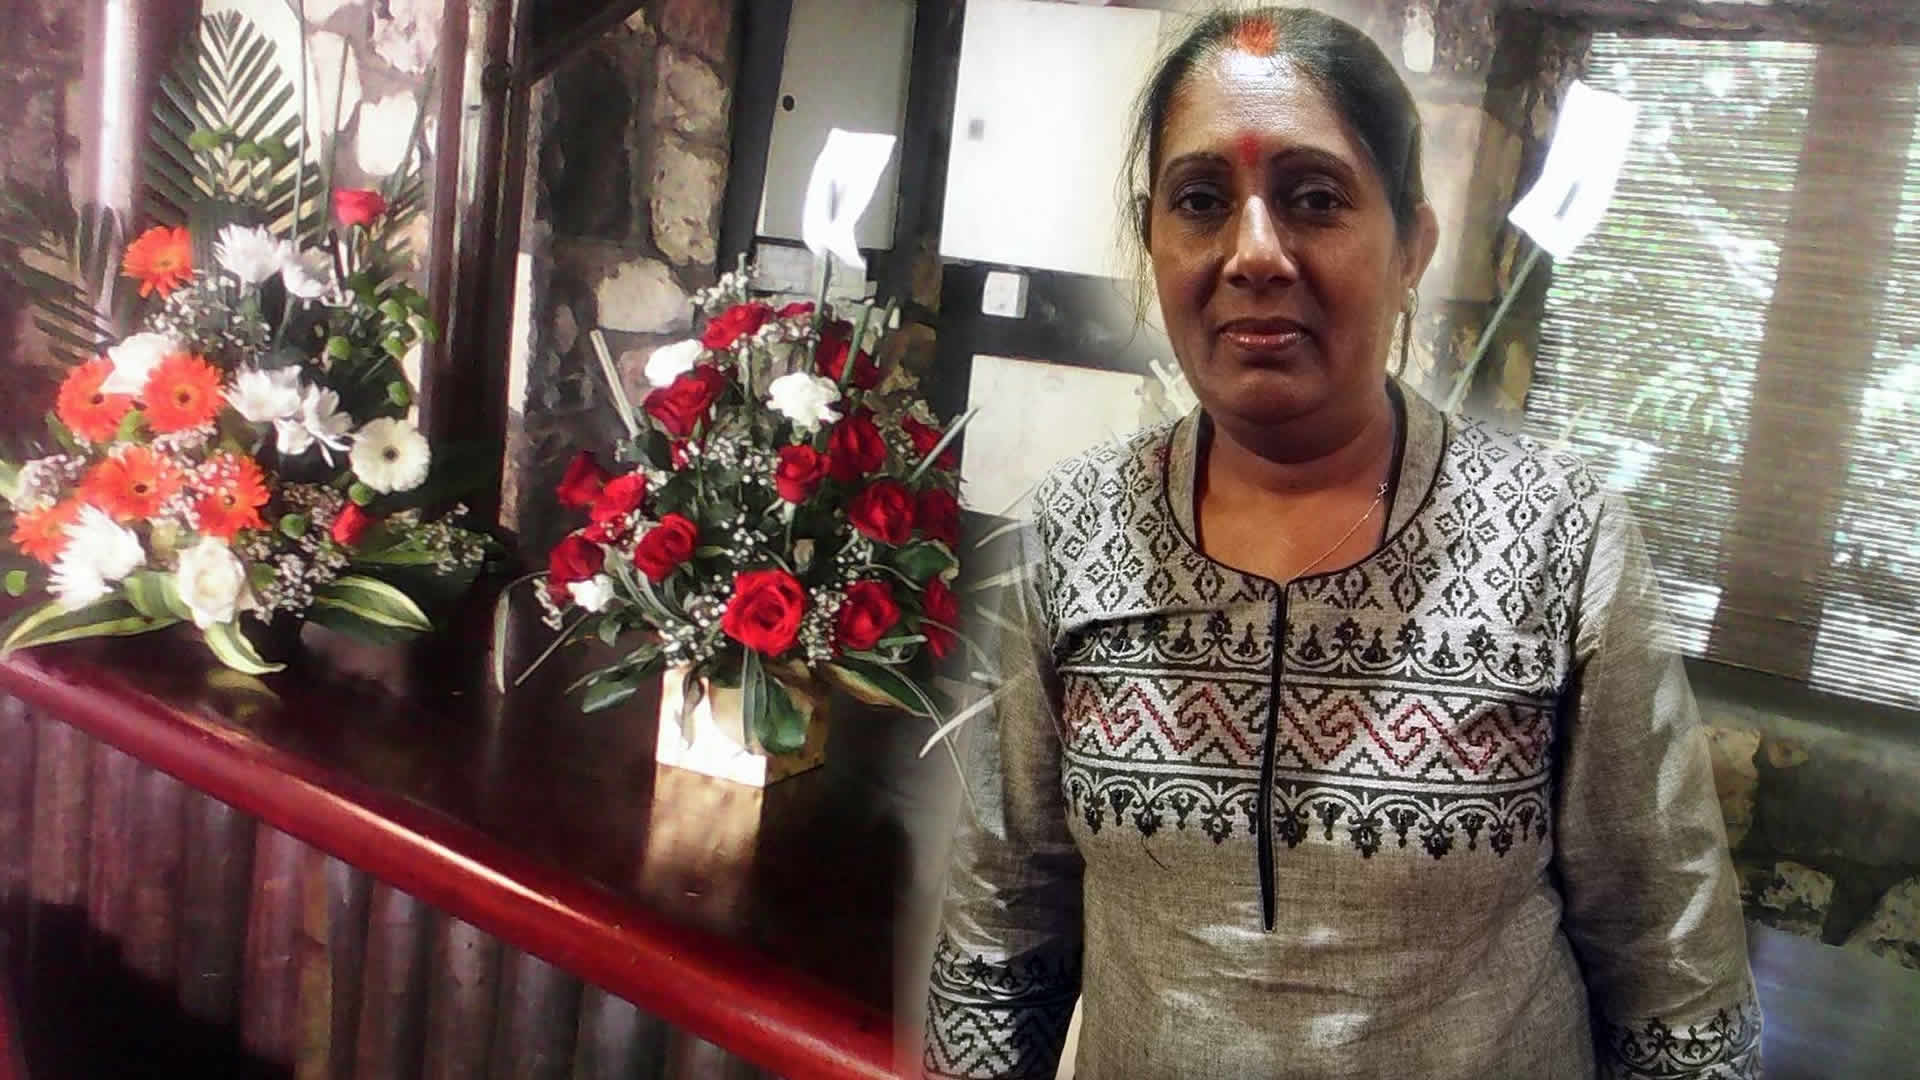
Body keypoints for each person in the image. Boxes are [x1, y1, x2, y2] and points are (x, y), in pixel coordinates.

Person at [922, 8, 1759, 1079]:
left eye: (1315, 198)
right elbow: (1005, 926)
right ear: (1152, 237)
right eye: (1201, 200)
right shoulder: (1072, 530)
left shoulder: (1560, 537)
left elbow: (1670, 967)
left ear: (1412, 245)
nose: (1254, 252)